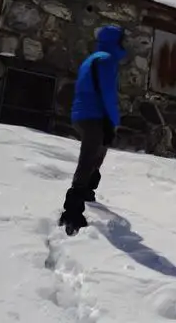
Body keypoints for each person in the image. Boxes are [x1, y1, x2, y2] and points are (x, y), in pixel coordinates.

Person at [59, 24, 127, 235]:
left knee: (99, 150)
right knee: (88, 158)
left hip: (83, 114)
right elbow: (108, 94)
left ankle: (87, 191)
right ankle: (72, 212)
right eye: (124, 40)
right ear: (117, 41)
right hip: (93, 116)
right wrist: (113, 120)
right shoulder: (106, 60)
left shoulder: (94, 57)